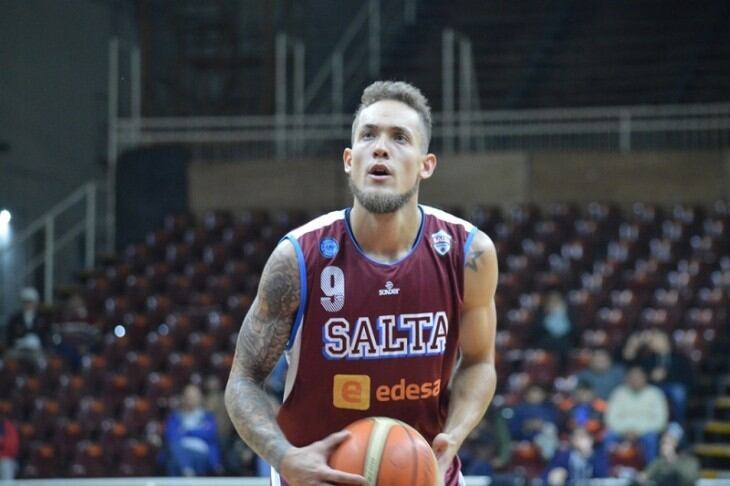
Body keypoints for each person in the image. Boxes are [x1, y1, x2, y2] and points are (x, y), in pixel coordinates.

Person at [225, 81, 498, 486]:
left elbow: (479, 363)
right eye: (368, 135)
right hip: (314, 477)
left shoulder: (468, 253)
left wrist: (453, 437)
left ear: (427, 164)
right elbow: (243, 380)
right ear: (350, 160)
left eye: (399, 138)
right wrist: (285, 457)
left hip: (422, 475)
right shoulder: (300, 257)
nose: (381, 147)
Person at [623, 329, 692, 422]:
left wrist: (666, 375)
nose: (653, 342)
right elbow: (636, 370)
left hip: (672, 386)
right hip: (652, 386)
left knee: (678, 392)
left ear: (666, 341)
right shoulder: (648, 358)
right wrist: (651, 377)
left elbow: (687, 377)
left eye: (657, 339)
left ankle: (677, 423)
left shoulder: (680, 358)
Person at [605, 366, 669, 464]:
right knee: (608, 437)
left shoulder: (655, 394)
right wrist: (625, 431)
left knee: (650, 439)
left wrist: (638, 431)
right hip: (622, 431)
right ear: (627, 379)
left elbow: (660, 421)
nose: (635, 380)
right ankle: (606, 475)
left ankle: (649, 474)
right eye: (632, 377)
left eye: (639, 377)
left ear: (645, 378)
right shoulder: (618, 393)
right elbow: (610, 419)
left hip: (645, 432)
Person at [165, 384, 223, 476]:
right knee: (175, 451)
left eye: (194, 396)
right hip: (180, 449)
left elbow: (209, 434)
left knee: (176, 459)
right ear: (183, 398)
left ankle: (186, 469)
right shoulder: (175, 417)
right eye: (188, 396)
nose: (191, 399)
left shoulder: (207, 416)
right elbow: (172, 437)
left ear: (200, 398)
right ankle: (187, 469)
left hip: (201, 452)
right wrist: (198, 431)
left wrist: (187, 431)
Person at [508, 384, 560, 460]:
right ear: (527, 394)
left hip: (546, 438)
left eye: (539, 393)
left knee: (549, 430)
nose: (536, 395)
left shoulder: (549, 410)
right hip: (526, 440)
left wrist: (542, 425)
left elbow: (556, 427)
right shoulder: (519, 410)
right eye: (533, 392)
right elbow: (512, 430)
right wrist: (527, 426)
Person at [542, 427, 609, 486]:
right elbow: (547, 474)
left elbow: (602, 476)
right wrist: (554, 473)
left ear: (591, 440)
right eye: (576, 438)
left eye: (583, 437)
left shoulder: (599, 457)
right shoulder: (564, 457)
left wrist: (588, 455)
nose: (579, 441)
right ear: (573, 441)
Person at [530, 290, 577, 370]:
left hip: (564, 342)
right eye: (551, 301)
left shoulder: (569, 313)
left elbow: (575, 331)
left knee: (566, 349)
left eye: (556, 300)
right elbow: (536, 332)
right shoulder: (541, 314)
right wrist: (549, 316)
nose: (554, 303)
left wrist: (561, 315)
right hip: (546, 342)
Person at [4, 287, 48, 366]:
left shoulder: (42, 318)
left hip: (37, 350)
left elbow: (46, 335)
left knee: (42, 363)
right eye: (25, 302)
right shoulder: (15, 319)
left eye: (30, 302)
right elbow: (9, 335)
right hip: (18, 349)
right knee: (6, 361)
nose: (28, 305)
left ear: (35, 303)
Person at [0, 411, 19, 481]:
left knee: (6, 464)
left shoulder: (8, 427)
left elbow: (12, 446)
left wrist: (2, 441)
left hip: (5, 458)